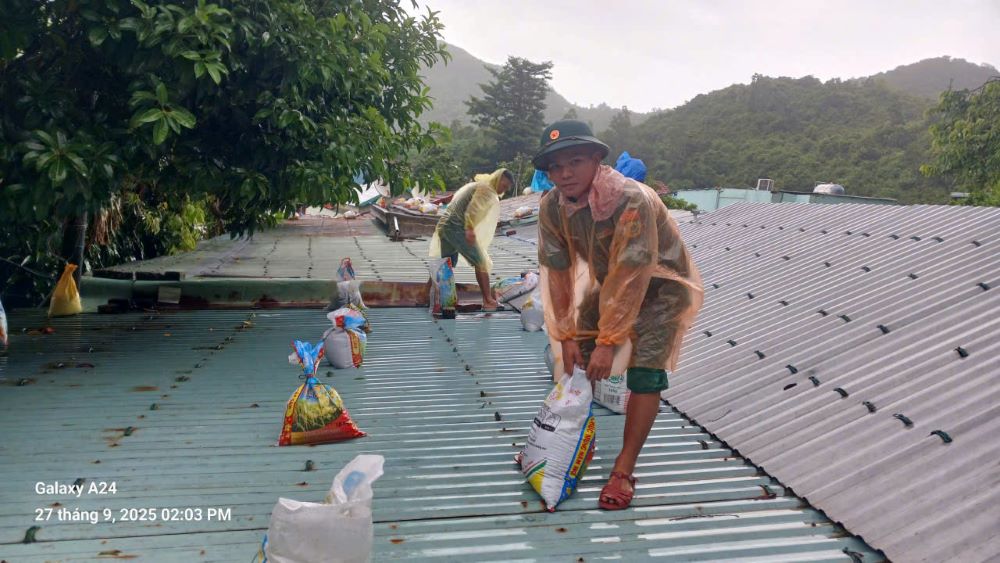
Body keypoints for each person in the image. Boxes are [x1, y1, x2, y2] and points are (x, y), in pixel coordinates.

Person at [533, 120, 703, 510]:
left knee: (645, 372)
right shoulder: (552, 207)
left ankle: (624, 469)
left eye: (575, 161)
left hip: (660, 288)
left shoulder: (629, 200)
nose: (564, 173)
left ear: (597, 158)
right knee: (576, 362)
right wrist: (566, 336)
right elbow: (556, 272)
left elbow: (633, 270)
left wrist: (608, 343)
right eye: (555, 167)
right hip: (613, 284)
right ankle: (561, 444)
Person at [428, 168, 514, 311]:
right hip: (457, 227)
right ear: (497, 180)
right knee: (481, 262)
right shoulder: (487, 190)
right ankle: (488, 301)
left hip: (446, 225)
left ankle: (426, 294)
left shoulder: (481, 185)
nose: (503, 190)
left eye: (506, 188)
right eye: (503, 186)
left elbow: (458, 197)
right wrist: (469, 228)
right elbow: (472, 209)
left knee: (444, 263)